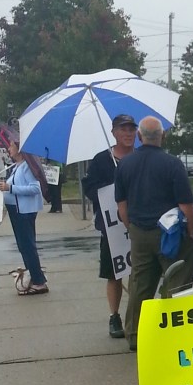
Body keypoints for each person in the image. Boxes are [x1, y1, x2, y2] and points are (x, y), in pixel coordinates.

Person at [115, 115, 193, 351]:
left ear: (139, 136)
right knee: (177, 282)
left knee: (140, 283)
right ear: (163, 136)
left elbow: (122, 205)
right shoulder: (172, 164)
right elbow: (186, 205)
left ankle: (135, 335)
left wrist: (131, 228)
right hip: (170, 234)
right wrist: (191, 232)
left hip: (139, 232)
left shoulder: (125, 165)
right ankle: (172, 335)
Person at [82, 114, 138, 339]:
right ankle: (114, 316)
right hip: (111, 227)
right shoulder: (101, 160)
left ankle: (137, 315)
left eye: (132, 129)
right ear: (113, 132)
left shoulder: (140, 158)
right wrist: (112, 192)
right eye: (123, 129)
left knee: (139, 273)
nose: (128, 133)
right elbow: (90, 188)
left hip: (139, 226)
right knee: (113, 273)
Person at [0, 140, 48, 295]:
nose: (8, 148)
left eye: (11, 146)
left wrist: (10, 188)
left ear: (19, 149)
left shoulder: (27, 166)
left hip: (24, 211)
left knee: (27, 246)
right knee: (24, 246)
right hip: (16, 210)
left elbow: (35, 188)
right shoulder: (17, 166)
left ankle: (39, 281)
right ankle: (33, 274)